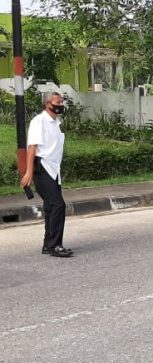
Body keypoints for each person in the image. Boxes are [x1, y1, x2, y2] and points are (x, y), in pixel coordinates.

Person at [20, 92, 73, 258]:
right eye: (58, 101)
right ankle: (55, 245)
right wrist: (28, 172)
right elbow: (32, 148)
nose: (61, 104)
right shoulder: (39, 121)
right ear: (48, 104)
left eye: (62, 101)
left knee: (51, 206)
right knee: (58, 205)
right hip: (42, 169)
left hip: (53, 170)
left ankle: (47, 244)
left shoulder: (56, 122)